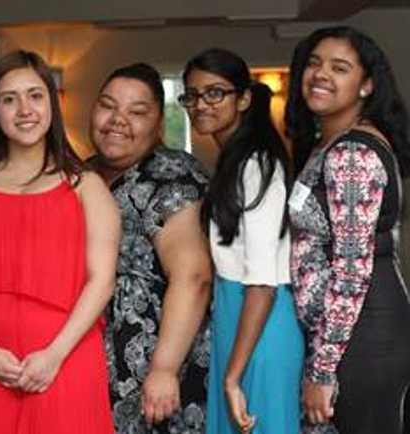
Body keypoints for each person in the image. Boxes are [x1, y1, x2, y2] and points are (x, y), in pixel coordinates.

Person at [0, 50, 120, 434]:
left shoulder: (86, 187)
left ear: (51, 104)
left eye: (36, 96)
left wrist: (54, 355)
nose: (25, 109)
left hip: (64, 359)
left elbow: (101, 281)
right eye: (9, 99)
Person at [286, 26, 410, 434]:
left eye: (339, 68)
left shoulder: (352, 153)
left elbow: (353, 269)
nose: (320, 74)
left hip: (362, 338)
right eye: (314, 63)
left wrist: (322, 371)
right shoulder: (328, 144)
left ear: (366, 85)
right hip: (344, 338)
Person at [180, 48, 304, 434]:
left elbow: (264, 282)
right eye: (192, 95)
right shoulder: (233, 160)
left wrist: (232, 377)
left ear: (244, 98)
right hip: (235, 315)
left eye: (215, 93)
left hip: (261, 322)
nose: (201, 104)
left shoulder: (258, 163)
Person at [89, 62, 212, 434]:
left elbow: (193, 277)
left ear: (158, 124)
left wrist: (164, 368)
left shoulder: (171, 174)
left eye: (137, 112)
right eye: (108, 105)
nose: (118, 120)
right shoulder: (81, 173)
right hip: (93, 366)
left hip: (159, 368)